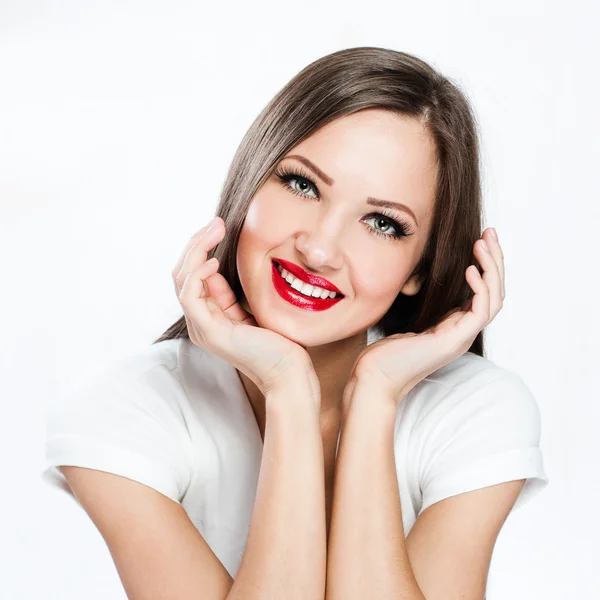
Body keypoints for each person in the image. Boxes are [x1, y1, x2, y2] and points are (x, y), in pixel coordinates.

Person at [42, 46, 549, 599]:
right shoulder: (124, 410)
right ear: (250, 180)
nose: (320, 248)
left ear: (420, 269)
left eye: (381, 222)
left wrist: (375, 397)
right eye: (302, 185)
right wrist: (287, 390)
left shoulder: (474, 412)